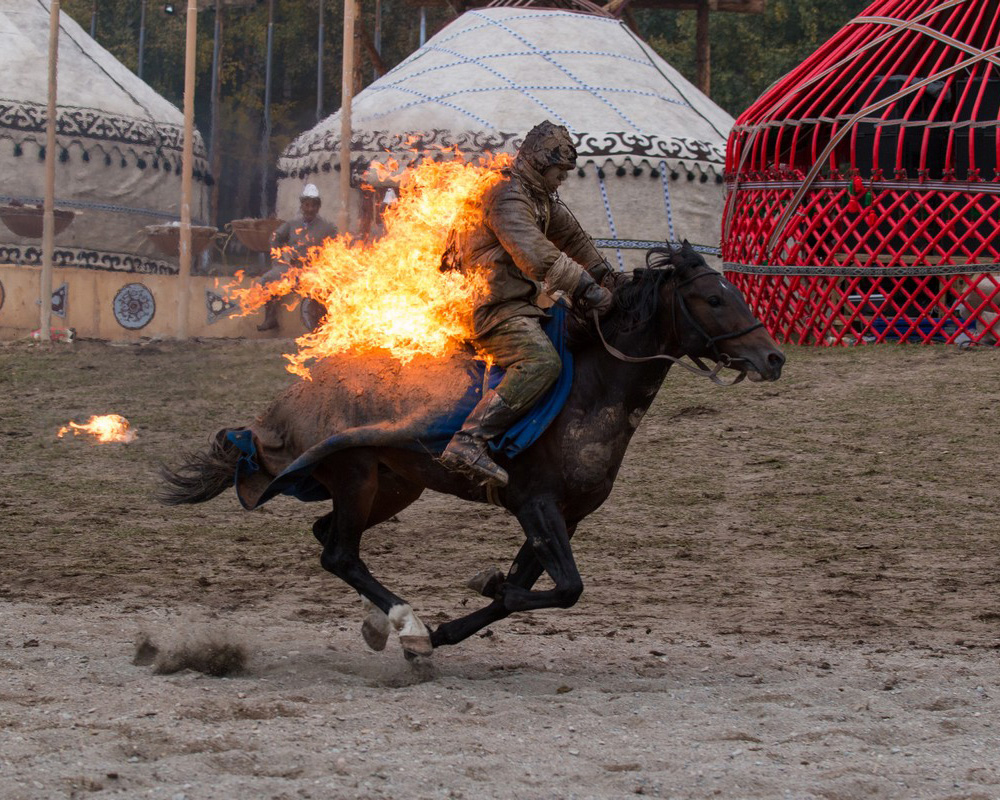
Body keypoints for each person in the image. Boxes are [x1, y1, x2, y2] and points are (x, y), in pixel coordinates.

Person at [439, 120, 618, 488]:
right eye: (560, 171)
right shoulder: (506, 195)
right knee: (540, 361)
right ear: (539, 163)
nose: (562, 179)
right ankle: (469, 440)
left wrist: (609, 278)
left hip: (517, 303)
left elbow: (573, 239)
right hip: (487, 306)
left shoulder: (536, 195)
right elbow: (536, 256)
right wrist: (587, 288)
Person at [256, 183, 338, 332]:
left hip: (314, 270)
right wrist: (279, 259)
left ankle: (322, 325)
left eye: (313, 206)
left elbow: (337, 247)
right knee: (268, 279)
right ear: (302, 206)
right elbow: (275, 238)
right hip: (291, 269)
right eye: (307, 205)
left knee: (323, 286)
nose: (310, 209)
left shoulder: (327, 227)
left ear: (318, 207)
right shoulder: (292, 224)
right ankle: (270, 317)